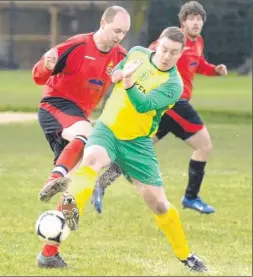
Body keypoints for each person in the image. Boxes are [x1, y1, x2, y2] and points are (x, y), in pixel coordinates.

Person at [39, 26, 208, 272]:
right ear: (156, 46)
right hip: (108, 128)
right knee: (92, 160)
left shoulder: (174, 85)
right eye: (163, 49)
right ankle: (68, 208)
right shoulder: (138, 53)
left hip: (138, 144)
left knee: (159, 205)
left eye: (173, 52)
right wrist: (119, 74)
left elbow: (144, 105)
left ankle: (186, 255)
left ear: (180, 54)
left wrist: (128, 82)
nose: (166, 56)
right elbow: (117, 72)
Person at [92, 1, 227, 214]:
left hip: (160, 108)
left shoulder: (197, 42)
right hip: (174, 103)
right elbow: (149, 58)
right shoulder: (168, 45)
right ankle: (191, 197)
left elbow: (197, 64)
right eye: (191, 19)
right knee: (204, 146)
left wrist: (214, 70)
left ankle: (100, 184)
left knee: (132, 153)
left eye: (199, 19)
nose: (196, 23)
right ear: (183, 22)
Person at [32, 5, 131, 268]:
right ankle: (54, 177)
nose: (119, 36)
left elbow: (128, 87)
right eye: (116, 30)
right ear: (102, 23)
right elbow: (37, 76)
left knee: (78, 186)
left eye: (124, 32)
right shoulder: (76, 46)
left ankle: (48, 254)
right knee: (85, 134)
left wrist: (126, 80)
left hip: (78, 118)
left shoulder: (121, 56)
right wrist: (46, 65)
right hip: (55, 106)